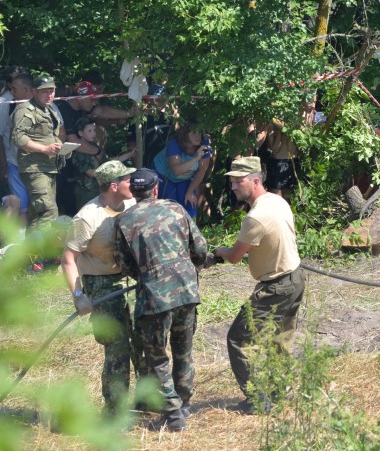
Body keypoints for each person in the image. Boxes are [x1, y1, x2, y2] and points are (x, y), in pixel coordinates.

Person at [114, 168, 208, 432]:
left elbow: (124, 266)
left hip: (154, 298)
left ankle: (174, 412)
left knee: (157, 357)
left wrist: (147, 275)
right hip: (187, 290)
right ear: (156, 189)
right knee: (183, 350)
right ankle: (184, 402)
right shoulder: (177, 209)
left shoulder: (123, 221)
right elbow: (200, 249)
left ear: (133, 192)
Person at [213, 156, 304, 414]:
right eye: (231, 182)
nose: (233, 187)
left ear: (255, 181)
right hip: (295, 278)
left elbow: (234, 257)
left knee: (238, 338)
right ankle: (280, 391)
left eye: (238, 182)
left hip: (275, 285)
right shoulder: (278, 200)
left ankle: (256, 399)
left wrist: (219, 251)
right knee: (280, 339)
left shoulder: (255, 217)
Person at [60, 160, 139, 414]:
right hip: (103, 283)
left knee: (142, 341)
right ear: (114, 186)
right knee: (117, 348)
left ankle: (148, 404)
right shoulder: (87, 217)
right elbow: (68, 260)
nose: (133, 183)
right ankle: (115, 411)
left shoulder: (132, 204)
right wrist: (79, 295)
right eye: (128, 179)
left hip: (132, 280)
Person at [12, 76, 65, 229]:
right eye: (44, 92)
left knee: (37, 215)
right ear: (34, 91)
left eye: (52, 91)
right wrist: (45, 149)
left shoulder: (50, 109)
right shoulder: (25, 109)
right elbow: (18, 137)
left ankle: (33, 252)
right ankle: (45, 252)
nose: (49, 95)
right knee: (49, 212)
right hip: (34, 168)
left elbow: (52, 135)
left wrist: (62, 147)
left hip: (48, 167)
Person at [152, 121, 212, 219]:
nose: (198, 136)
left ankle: (190, 230)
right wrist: (196, 158)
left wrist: (190, 191)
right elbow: (176, 170)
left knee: (189, 202)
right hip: (163, 173)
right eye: (194, 133)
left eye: (200, 132)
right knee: (169, 205)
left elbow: (202, 171)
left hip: (185, 177)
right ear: (185, 134)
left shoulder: (204, 146)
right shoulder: (174, 144)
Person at [0, 70, 32, 224]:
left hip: (36, 164)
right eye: (11, 87)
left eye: (15, 88)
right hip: (13, 163)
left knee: (36, 207)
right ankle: (16, 244)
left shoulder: (44, 103)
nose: (12, 91)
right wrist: (4, 165)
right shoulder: (5, 102)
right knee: (18, 205)